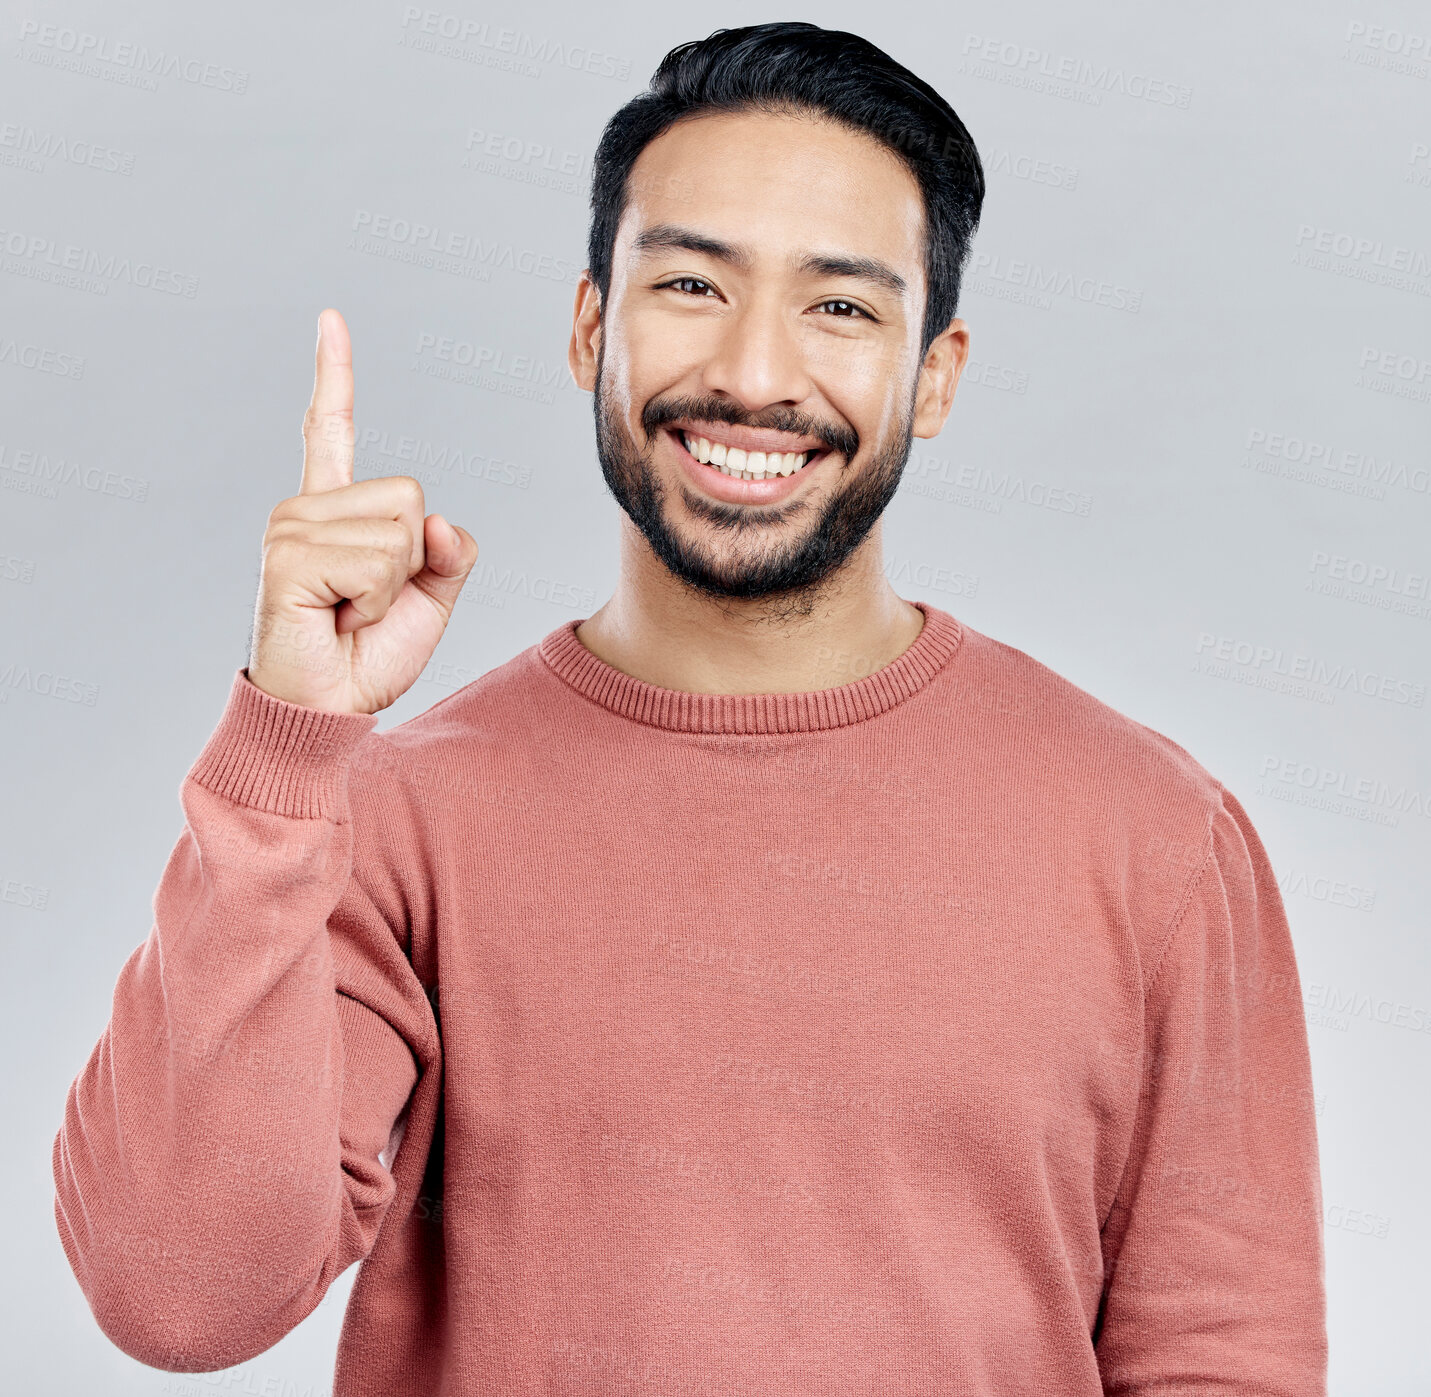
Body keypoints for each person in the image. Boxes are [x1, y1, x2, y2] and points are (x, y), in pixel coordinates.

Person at [52, 21, 1327, 1395]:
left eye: (840, 306)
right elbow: (175, 1292)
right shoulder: (402, 821)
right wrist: (285, 748)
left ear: (937, 373)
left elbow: (1224, 1360)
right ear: (591, 325)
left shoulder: (1154, 837)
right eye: (691, 285)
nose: (757, 374)